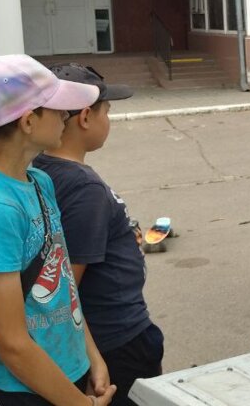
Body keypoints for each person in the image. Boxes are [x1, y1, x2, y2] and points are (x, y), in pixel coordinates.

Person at [0, 54, 118, 406]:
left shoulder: (38, 181)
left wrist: (91, 356)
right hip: (23, 391)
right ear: (28, 121)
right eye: (56, 109)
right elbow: (12, 345)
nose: (66, 117)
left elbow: (62, 283)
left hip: (67, 374)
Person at [33, 63, 164, 406]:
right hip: (117, 340)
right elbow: (65, 288)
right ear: (86, 117)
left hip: (106, 337)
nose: (109, 119)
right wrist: (93, 356)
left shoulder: (42, 168)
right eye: (107, 110)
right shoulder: (83, 187)